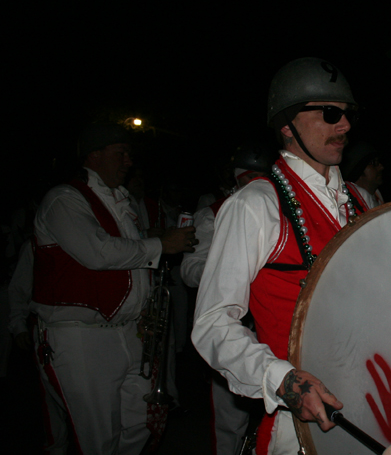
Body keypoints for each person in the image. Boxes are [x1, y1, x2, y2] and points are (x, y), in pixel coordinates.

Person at [192, 57, 363, 454]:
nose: (345, 125)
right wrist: (282, 380)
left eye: (347, 114)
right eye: (330, 113)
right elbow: (213, 322)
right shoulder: (255, 205)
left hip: (367, 401)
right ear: (287, 125)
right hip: (299, 423)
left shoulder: (359, 199)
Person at [31, 123, 197, 455]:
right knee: (97, 438)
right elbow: (99, 252)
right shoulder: (63, 198)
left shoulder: (122, 202)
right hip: (80, 336)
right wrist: (160, 244)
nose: (128, 161)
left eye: (128, 154)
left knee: (140, 422)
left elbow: (126, 257)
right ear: (93, 155)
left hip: (129, 333)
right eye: (119, 153)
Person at [182, 143, 271, 455]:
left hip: (272, 327)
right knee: (231, 420)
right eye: (250, 177)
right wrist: (233, 267)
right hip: (233, 328)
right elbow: (190, 270)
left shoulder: (278, 209)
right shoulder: (212, 213)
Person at [340, 141, 385, 212]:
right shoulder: (344, 204)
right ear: (359, 170)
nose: (381, 167)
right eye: (374, 163)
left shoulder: (378, 198)